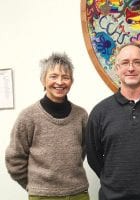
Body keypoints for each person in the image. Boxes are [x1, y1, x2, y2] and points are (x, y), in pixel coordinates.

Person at [85, 42, 140, 200]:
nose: (131, 68)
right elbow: (94, 157)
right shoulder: (100, 112)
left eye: (137, 62)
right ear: (117, 68)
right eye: (125, 63)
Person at [5, 53, 89, 200]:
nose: (60, 82)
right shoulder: (28, 116)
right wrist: (35, 186)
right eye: (53, 76)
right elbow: (14, 159)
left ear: (72, 81)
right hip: (42, 195)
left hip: (78, 194)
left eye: (65, 77)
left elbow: (82, 151)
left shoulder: (81, 115)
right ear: (43, 80)